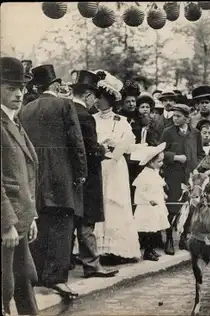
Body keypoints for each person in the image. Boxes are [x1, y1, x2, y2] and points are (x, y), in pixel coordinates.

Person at [19, 64, 87, 299]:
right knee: (62, 226)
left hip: (35, 175)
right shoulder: (64, 105)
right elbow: (76, 142)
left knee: (41, 224)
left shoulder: (25, 110)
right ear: (56, 86)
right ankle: (57, 279)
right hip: (61, 175)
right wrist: (81, 172)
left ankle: (37, 276)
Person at [69, 70, 119, 279]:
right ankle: (92, 265)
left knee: (71, 221)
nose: (95, 102)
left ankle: (69, 262)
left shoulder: (66, 110)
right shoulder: (86, 117)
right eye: (94, 97)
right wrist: (103, 150)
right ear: (88, 95)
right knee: (87, 222)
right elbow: (89, 149)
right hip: (88, 176)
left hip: (70, 175)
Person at [1, 57, 39, 316]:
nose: (18, 94)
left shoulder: (13, 121)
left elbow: (24, 173)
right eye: (10, 88)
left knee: (25, 280)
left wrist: (31, 216)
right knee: (6, 287)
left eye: (21, 88)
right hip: (8, 224)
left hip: (21, 219)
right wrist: (6, 224)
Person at [92, 70, 142, 264]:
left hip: (115, 167)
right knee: (100, 204)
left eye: (101, 98)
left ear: (110, 101)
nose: (98, 101)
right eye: (97, 98)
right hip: (99, 166)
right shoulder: (92, 119)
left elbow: (130, 143)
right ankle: (98, 249)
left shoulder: (121, 121)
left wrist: (116, 144)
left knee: (115, 204)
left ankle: (117, 249)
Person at [160, 103, 204, 252]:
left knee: (189, 207)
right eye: (174, 116)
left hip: (189, 176)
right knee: (172, 207)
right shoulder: (168, 132)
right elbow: (160, 152)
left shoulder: (195, 133)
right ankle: (169, 239)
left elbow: (200, 153)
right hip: (173, 175)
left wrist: (195, 165)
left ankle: (184, 238)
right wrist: (175, 157)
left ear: (187, 118)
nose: (175, 119)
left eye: (178, 116)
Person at [133, 142, 171, 261]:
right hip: (147, 207)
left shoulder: (155, 173)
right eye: (159, 161)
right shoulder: (144, 175)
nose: (161, 164)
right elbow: (140, 192)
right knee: (148, 230)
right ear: (151, 162)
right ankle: (147, 252)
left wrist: (163, 194)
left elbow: (158, 186)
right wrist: (149, 200)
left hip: (156, 206)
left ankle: (151, 250)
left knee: (155, 228)